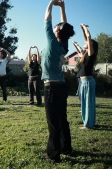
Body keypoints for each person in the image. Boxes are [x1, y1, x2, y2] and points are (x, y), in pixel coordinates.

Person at [41, 0, 75, 162]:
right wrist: (62, 7)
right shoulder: (64, 44)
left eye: (57, 27)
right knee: (62, 119)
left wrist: (50, 3)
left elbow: (47, 19)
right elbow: (65, 25)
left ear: (58, 31)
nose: (56, 26)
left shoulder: (54, 41)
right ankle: (66, 147)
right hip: (61, 87)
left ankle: (53, 154)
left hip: (52, 88)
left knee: (53, 122)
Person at [76, 24, 98, 129]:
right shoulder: (85, 55)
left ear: (91, 47)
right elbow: (86, 38)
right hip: (85, 82)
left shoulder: (91, 54)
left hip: (88, 82)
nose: (85, 42)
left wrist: (85, 28)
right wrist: (82, 30)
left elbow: (88, 38)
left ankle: (88, 125)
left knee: (88, 104)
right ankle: (89, 123)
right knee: (85, 104)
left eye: (88, 43)